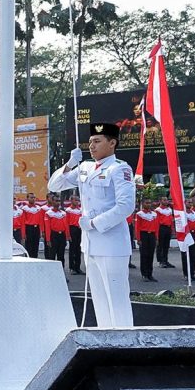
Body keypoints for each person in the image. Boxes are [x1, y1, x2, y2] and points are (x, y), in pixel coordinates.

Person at [48, 122, 136, 327]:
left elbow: (126, 206)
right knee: (99, 299)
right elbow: (54, 185)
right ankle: (107, 341)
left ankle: (124, 342)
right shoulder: (85, 167)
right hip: (90, 244)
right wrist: (69, 164)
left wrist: (94, 223)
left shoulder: (119, 168)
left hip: (112, 242)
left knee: (117, 299)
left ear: (112, 143)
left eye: (97, 141)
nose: (92, 146)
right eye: (90, 142)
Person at [134, 198, 159, 283]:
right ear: (143, 204)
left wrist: (156, 238)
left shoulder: (154, 214)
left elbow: (156, 227)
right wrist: (138, 238)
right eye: (146, 203)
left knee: (151, 255)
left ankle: (150, 274)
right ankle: (144, 274)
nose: (148, 204)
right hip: (144, 235)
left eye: (149, 203)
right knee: (144, 255)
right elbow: (137, 227)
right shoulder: (139, 214)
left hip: (151, 235)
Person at [42, 197, 68, 269]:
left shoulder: (63, 213)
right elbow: (47, 227)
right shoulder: (48, 213)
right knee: (52, 256)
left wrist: (66, 237)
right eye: (56, 201)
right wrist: (48, 239)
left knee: (61, 256)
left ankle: (62, 274)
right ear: (52, 202)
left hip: (62, 235)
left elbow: (66, 226)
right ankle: (51, 274)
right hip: (53, 236)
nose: (58, 202)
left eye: (59, 201)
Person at [65, 197, 84, 275]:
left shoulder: (80, 210)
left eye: (78, 200)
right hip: (72, 229)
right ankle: (72, 268)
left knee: (78, 249)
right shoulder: (68, 210)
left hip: (79, 229)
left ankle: (77, 267)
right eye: (75, 200)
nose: (77, 202)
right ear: (71, 201)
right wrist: (68, 234)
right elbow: (66, 223)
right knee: (72, 249)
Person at [154, 198, 175, 268]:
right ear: (160, 201)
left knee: (166, 245)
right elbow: (156, 222)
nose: (166, 201)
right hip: (161, 228)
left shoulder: (169, 210)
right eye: (164, 200)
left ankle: (165, 260)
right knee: (160, 245)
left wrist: (172, 229)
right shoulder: (158, 210)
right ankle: (160, 261)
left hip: (168, 228)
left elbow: (171, 220)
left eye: (167, 200)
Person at [20, 193, 42, 258]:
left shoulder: (38, 208)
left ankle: (35, 259)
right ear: (27, 198)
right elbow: (23, 222)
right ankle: (28, 260)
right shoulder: (24, 208)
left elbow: (40, 221)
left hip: (36, 228)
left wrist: (40, 231)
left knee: (36, 246)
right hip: (29, 228)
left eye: (34, 197)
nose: (33, 199)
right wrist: (23, 234)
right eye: (31, 197)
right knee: (29, 246)